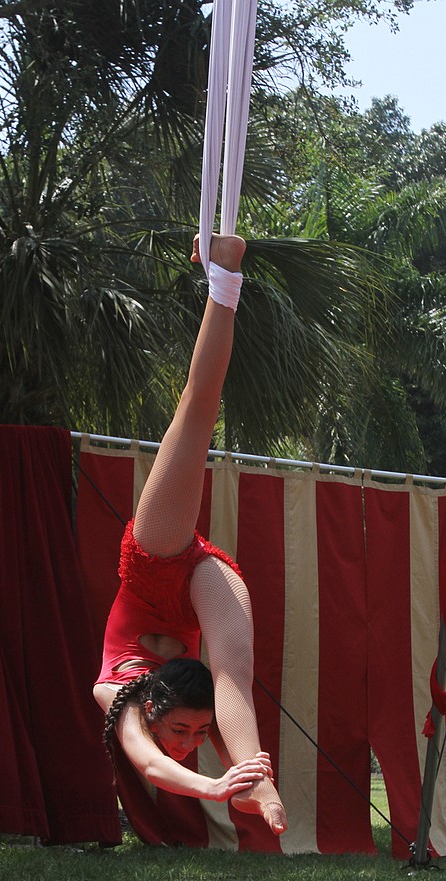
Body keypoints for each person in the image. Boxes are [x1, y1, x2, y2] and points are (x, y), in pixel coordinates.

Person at [93, 232, 287, 836]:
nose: (186, 742)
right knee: (233, 679)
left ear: (152, 709)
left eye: (183, 731)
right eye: (195, 733)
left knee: (197, 416)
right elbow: (214, 701)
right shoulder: (170, 697)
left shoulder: (118, 694)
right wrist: (231, 776)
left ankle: (225, 277)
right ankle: (259, 783)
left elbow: (148, 763)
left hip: (155, 561)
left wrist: (210, 785)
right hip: (202, 577)